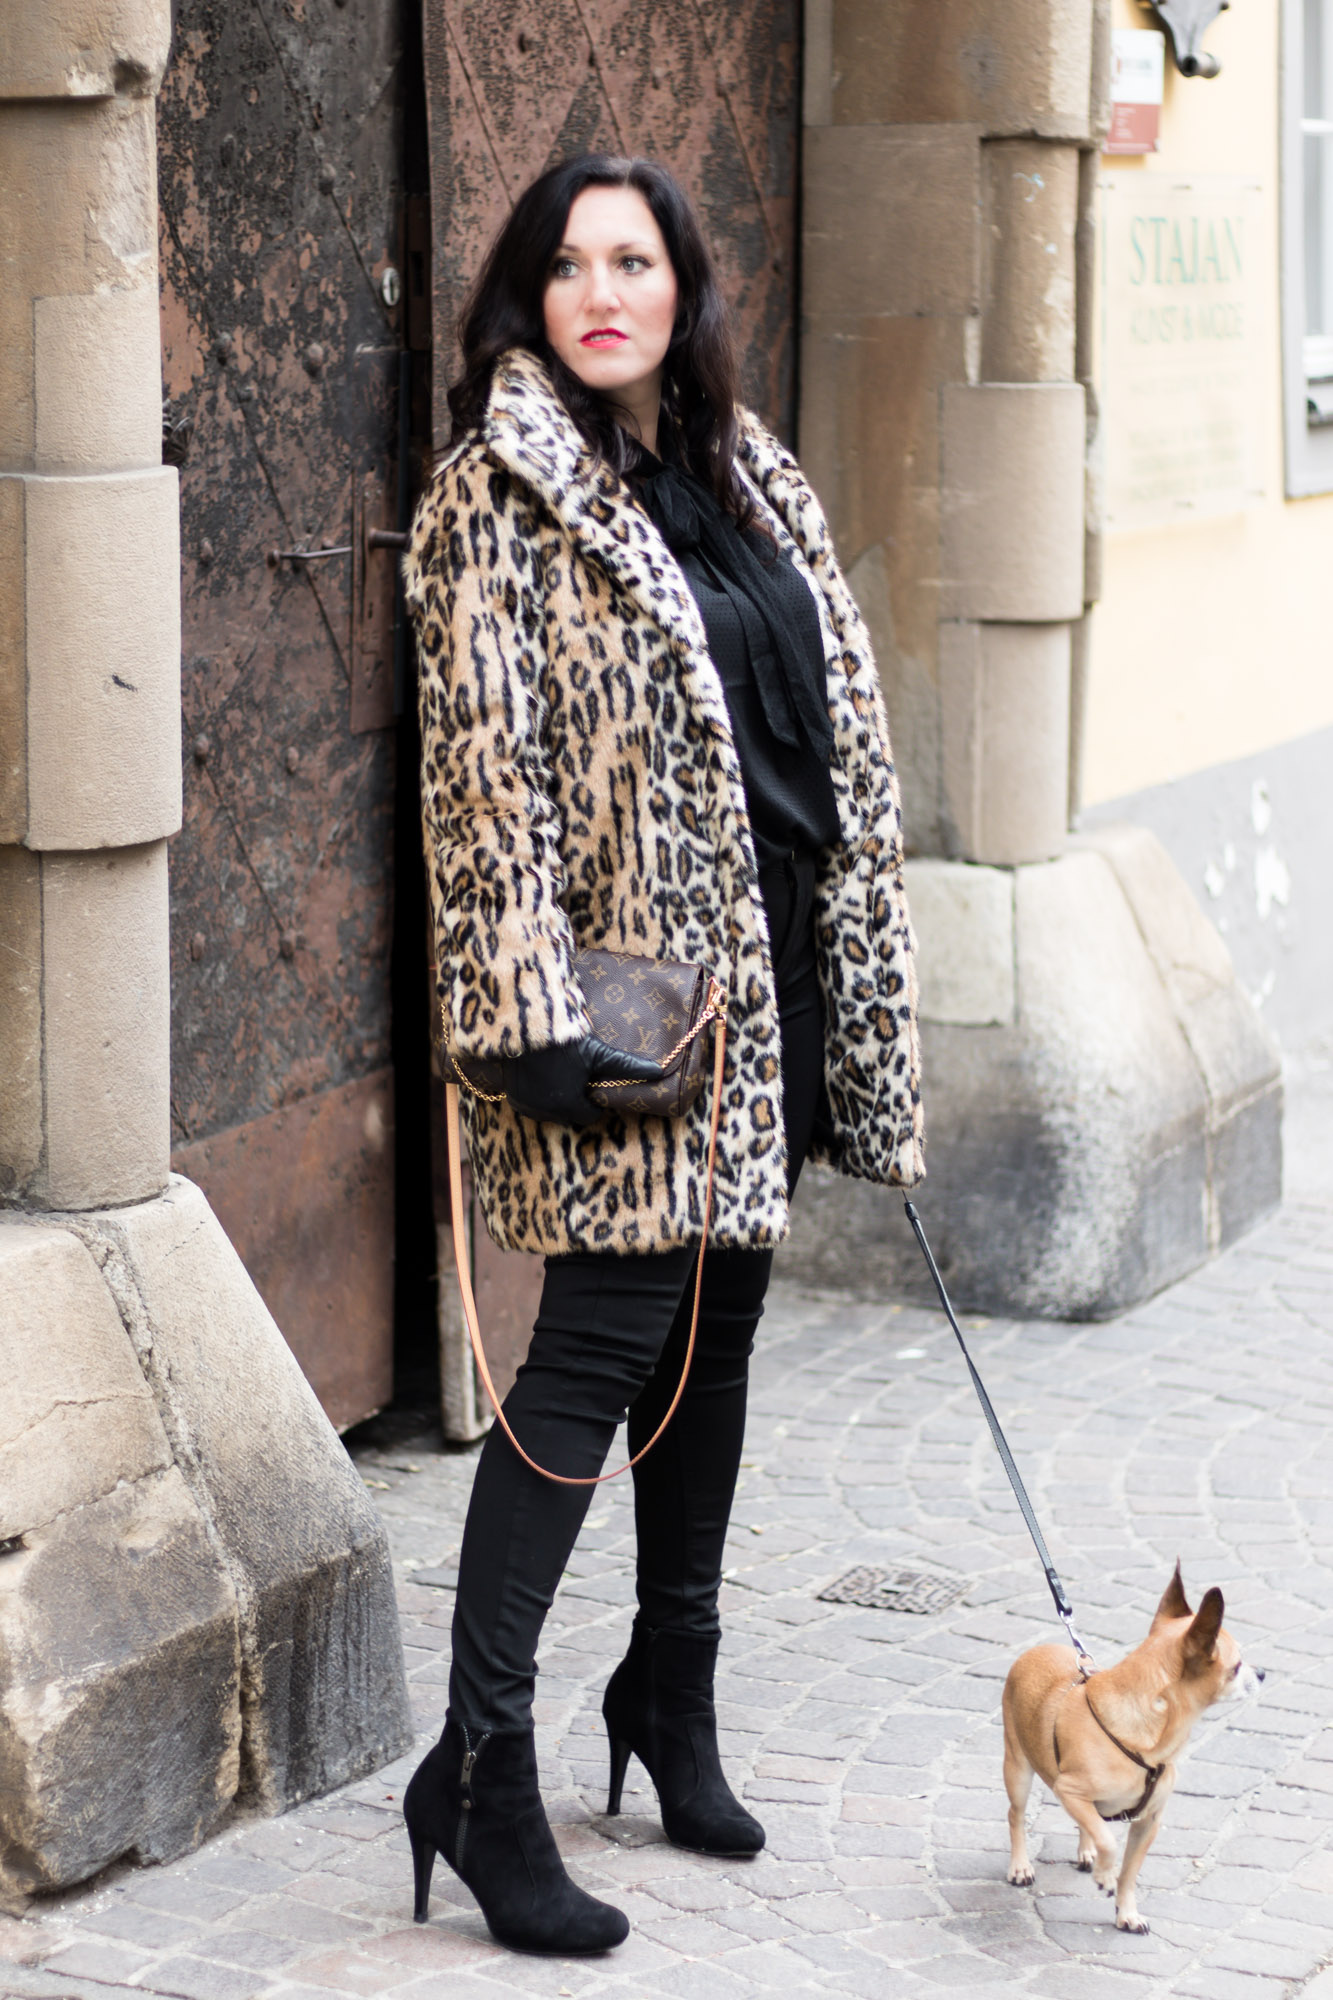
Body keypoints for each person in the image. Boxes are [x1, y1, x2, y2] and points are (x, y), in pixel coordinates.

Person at [401, 153, 924, 1956]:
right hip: (622, 1011)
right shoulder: (494, 498)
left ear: (683, 285)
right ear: (526, 300)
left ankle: (668, 1698)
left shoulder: (744, 473)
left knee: (721, 1332)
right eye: (565, 265)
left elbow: (813, 737)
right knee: (596, 1354)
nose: (599, 290)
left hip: (767, 985)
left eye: (633, 258)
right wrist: (524, 1009)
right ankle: (478, 1771)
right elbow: (486, 780)